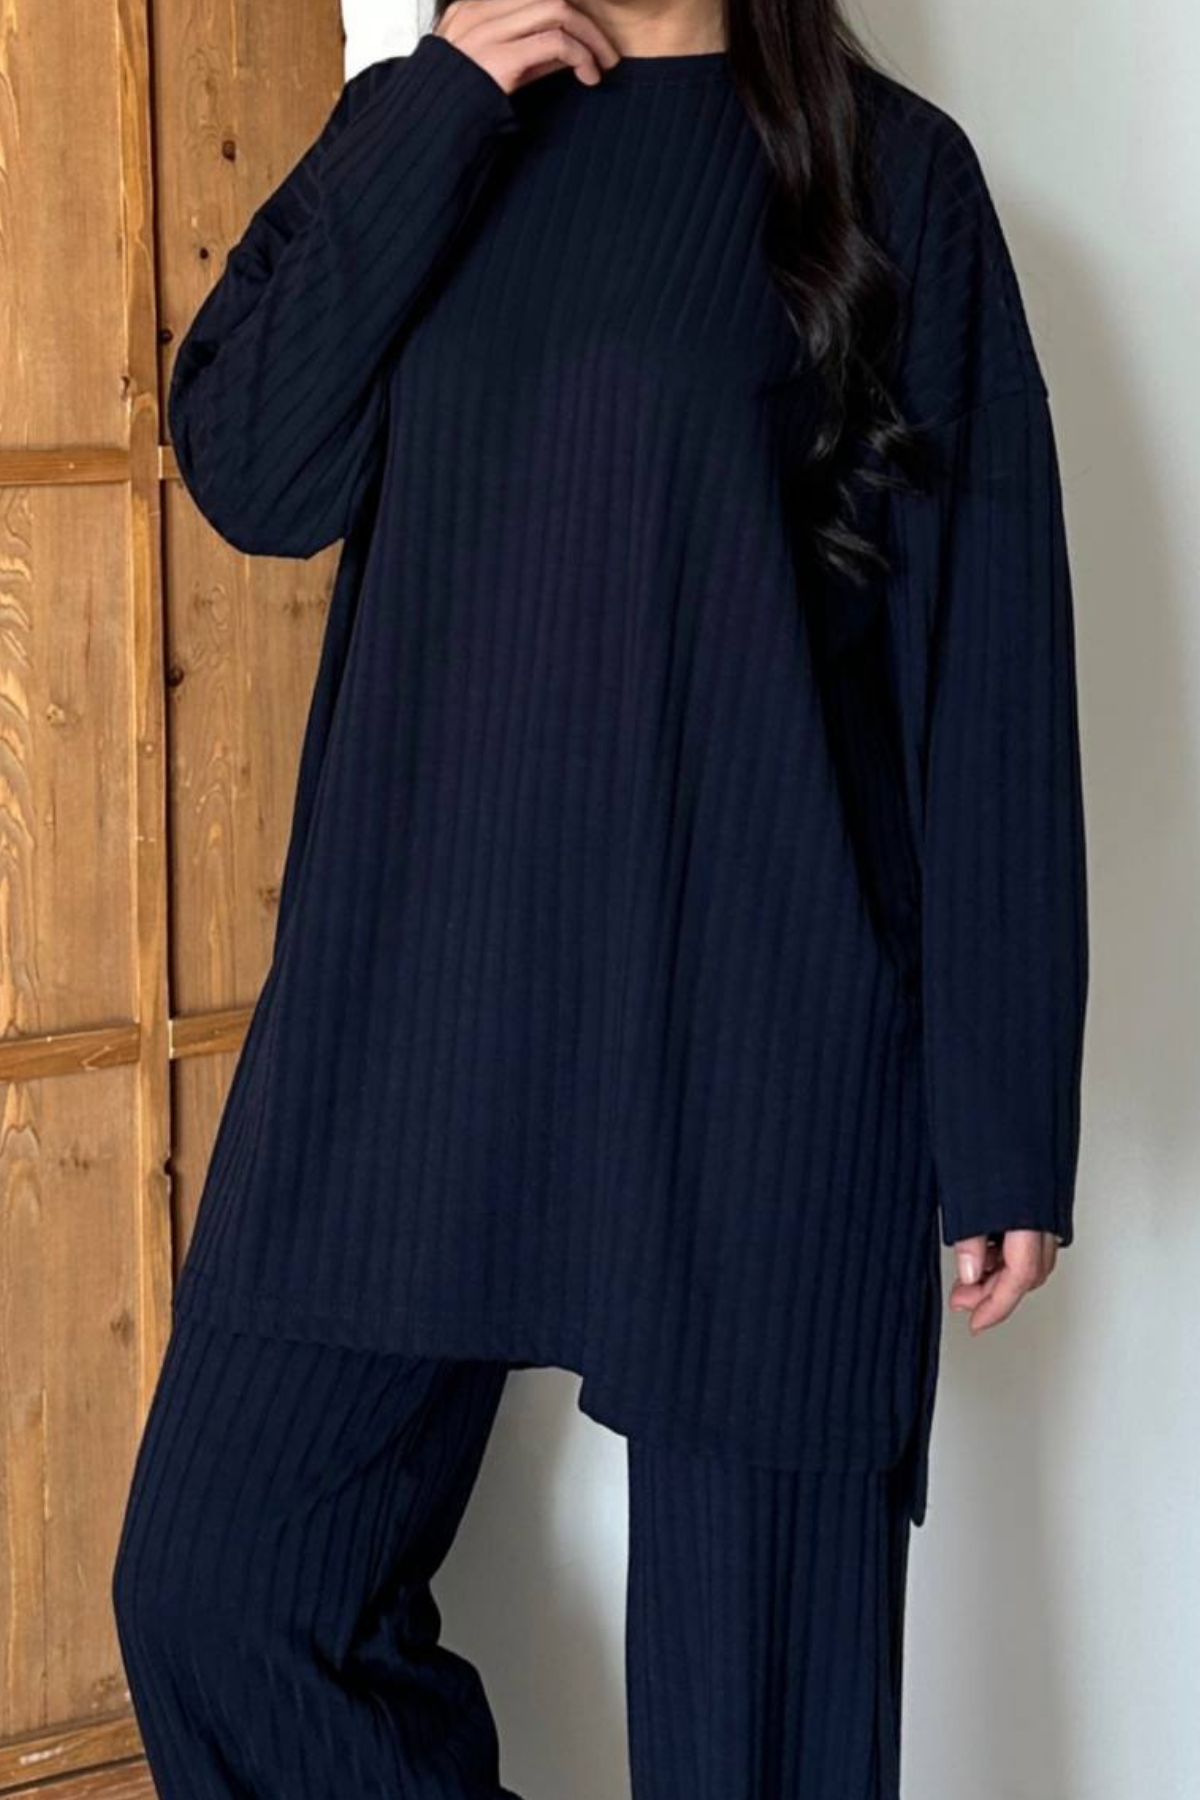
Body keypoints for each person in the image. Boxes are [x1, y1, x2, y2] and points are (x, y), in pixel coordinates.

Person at [110, 0, 1089, 1792]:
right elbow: (253, 469)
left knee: (756, 1739)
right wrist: (438, 108)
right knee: (223, 1588)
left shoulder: (895, 180)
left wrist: (1003, 1112)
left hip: (754, 1037)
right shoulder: (429, 129)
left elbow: (982, 658)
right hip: (414, 1016)